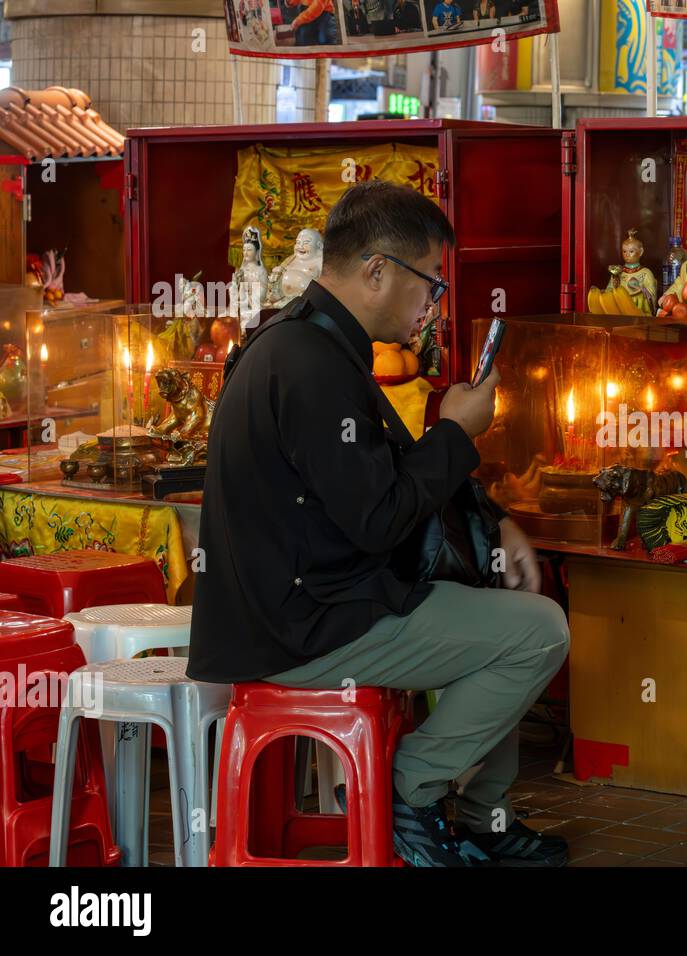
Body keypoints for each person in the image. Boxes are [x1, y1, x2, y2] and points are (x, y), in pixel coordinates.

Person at [188, 180, 570, 868]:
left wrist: (494, 518)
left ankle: (484, 818)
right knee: (537, 632)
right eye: (431, 286)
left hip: (305, 604)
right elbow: (379, 518)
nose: (432, 306)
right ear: (376, 271)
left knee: (502, 611)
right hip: (303, 626)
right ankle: (412, 789)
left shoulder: (307, 339)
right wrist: (456, 431)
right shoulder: (309, 364)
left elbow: (384, 474)